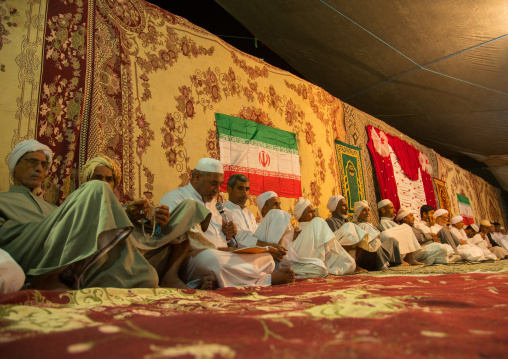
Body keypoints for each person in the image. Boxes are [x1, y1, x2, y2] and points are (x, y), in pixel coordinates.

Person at [0, 140, 208, 290]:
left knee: (147, 274)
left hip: (74, 254)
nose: (39, 168)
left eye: (44, 165)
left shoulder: (51, 208)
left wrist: (139, 218)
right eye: (31, 162)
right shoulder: (4, 201)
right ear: (14, 166)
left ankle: (152, 273)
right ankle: (45, 277)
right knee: (96, 190)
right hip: (27, 249)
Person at [81, 156, 216, 290]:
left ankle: (170, 276)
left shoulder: (125, 207)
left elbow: (144, 235)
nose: (104, 183)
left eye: (109, 179)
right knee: (149, 277)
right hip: (115, 263)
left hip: (143, 254)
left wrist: (153, 222)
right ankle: (191, 282)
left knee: (190, 208)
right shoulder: (80, 207)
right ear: (87, 181)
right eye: (97, 178)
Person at [159, 158, 295, 288]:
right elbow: (178, 240)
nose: (217, 190)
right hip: (195, 258)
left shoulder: (213, 205)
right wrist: (224, 250)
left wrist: (228, 236)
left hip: (223, 254)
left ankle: (210, 281)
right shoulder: (176, 198)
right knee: (214, 260)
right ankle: (266, 280)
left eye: (219, 184)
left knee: (266, 259)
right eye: (213, 183)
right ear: (196, 178)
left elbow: (220, 238)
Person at [222, 174, 286, 261]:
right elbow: (240, 238)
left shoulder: (249, 213)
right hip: (238, 255)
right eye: (240, 188)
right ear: (229, 189)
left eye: (247, 189)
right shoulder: (224, 210)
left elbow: (256, 234)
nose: (245, 194)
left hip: (256, 252)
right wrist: (268, 246)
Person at [291, 197, 355, 276]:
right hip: (303, 259)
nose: (314, 214)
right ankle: (319, 268)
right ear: (301, 215)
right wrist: (293, 236)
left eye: (314, 211)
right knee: (318, 221)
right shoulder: (295, 230)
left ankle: (327, 270)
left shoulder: (317, 226)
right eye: (310, 212)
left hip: (322, 261)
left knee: (350, 263)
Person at [325, 195, 382, 273]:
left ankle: (354, 264)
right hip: (336, 249)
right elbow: (334, 240)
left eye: (347, 206)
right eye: (343, 206)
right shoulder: (330, 221)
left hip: (348, 244)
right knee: (350, 227)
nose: (347, 208)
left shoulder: (346, 221)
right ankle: (347, 264)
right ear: (335, 208)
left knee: (362, 232)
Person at [395, 209, 460, 264]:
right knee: (443, 248)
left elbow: (422, 236)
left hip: (429, 244)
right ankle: (448, 257)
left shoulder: (413, 227)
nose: (414, 218)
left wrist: (430, 234)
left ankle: (440, 258)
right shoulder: (406, 227)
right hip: (420, 248)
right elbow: (420, 238)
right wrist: (431, 235)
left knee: (445, 242)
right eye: (411, 216)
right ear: (404, 218)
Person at [352, 200, 404, 269]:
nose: (367, 213)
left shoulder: (370, 225)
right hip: (367, 257)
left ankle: (393, 263)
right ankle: (382, 264)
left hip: (375, 253)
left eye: (368, 210)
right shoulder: (361, 225)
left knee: (392, 240)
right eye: (364, 210)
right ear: (358, 214)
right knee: (375, 243)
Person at [376, 200, 424, 265]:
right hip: (393, 251)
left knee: (406, 227)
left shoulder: (391, 222)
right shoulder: (384, 223)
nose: (394, 210)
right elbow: (393, 240)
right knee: (406, 227)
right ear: (383, 210)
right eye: (391, 208)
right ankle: (402, 259)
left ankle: (409, 258)